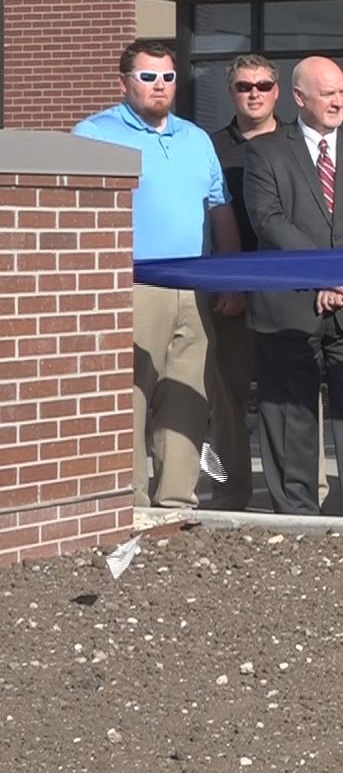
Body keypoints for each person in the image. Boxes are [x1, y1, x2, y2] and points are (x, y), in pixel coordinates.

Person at [74, 39, 242, 511]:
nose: (159, 86)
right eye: (147, 77)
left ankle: (176, 500)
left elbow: (220, 210)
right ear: (124, 81)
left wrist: (228, 279)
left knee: (188, 394)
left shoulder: (196, 139)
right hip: (134, 286)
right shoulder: (94, 133)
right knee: (131, 396)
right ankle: (127, 501)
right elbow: (81, 213)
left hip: (193, 287)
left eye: (167, 76)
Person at [240, 55, 343, 516]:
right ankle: (297, 516)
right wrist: (322, 275)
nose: (338, 101)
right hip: (290, 306)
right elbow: (269, 221)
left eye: (342, 92)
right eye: (327, 93)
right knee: (290, 417)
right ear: (299, 98)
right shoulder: (265, 152)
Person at [204, 53, 281, 510]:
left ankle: (296, 494)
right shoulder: (207, 146)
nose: (254, 93)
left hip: (285, 290)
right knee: (227, 402)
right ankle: (229, 493)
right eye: (244, 86)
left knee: (290, 399)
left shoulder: (299, 143)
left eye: (264, 85)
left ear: (278, 90)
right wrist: (229, 284)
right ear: (230, 91)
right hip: (230, 292)